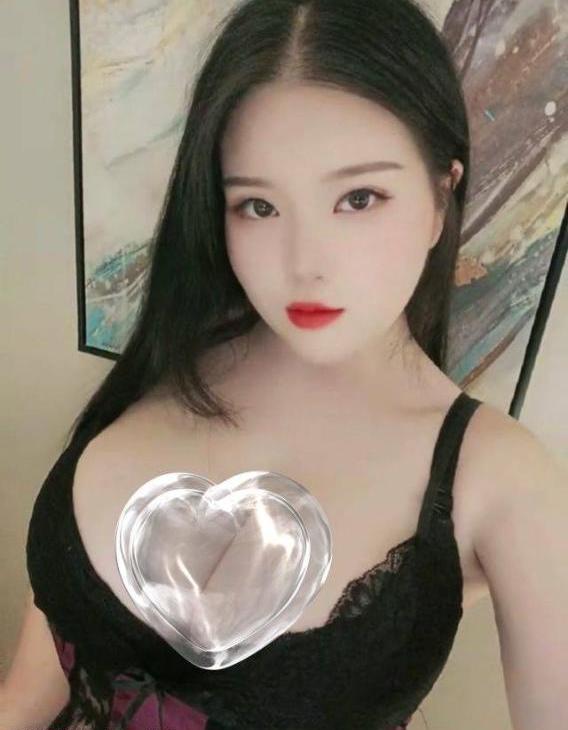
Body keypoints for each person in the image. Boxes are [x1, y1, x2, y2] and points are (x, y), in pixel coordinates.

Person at [4, 1, 566, 729]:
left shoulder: (498, 478)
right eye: (259, 207)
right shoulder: (178, 351)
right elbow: (26, 694)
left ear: (440, 196)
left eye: (359, 198)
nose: (303, 265)